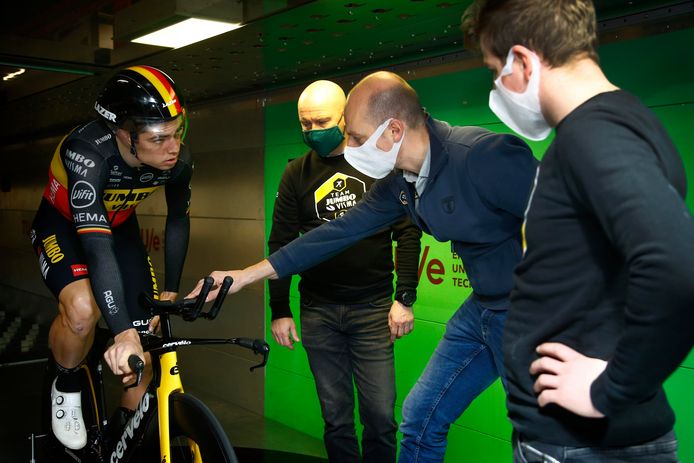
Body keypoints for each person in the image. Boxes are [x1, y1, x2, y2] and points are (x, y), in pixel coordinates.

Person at [189, 71, 538, 462]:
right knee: (419, 418)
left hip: (533, 309)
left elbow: (578, 228)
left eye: (355, 137)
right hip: (482, 309)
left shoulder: (482, 156)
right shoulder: (401, 183)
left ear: (392, 130)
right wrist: (244, 276)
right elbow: (334, 233)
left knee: (540, 438)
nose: (350, 146)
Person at [464, 1, 694, 461]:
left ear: (523, 61)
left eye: (495, 69)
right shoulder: (621, 124)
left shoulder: (595, 135)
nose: (497, 86)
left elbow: (675, 267)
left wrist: (609, 390)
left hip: (580, 446)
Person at [30, 65, 192, 450]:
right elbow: (96, 248)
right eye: (159, 138)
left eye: (178, 131)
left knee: (145, 346)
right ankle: (66, 379)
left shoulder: (178, 161)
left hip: (120, 229)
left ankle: (120, 440)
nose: (174, 147)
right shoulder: (86, 153)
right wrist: (120, 332)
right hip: (65, 227)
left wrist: (170, 292)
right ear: (124, 133)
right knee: (84, 311)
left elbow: (178, 220)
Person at [267, 79, 421, 463]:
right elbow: (281, 244)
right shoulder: (295, 173)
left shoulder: (380, 166)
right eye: (305, 125)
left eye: (322, 122)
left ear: (345, 117)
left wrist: (404, 298)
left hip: (372, 311)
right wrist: (280, 309)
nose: (313, 132)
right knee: (336, 419)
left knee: (381, 416)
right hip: (318, 313)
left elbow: (408, 234)